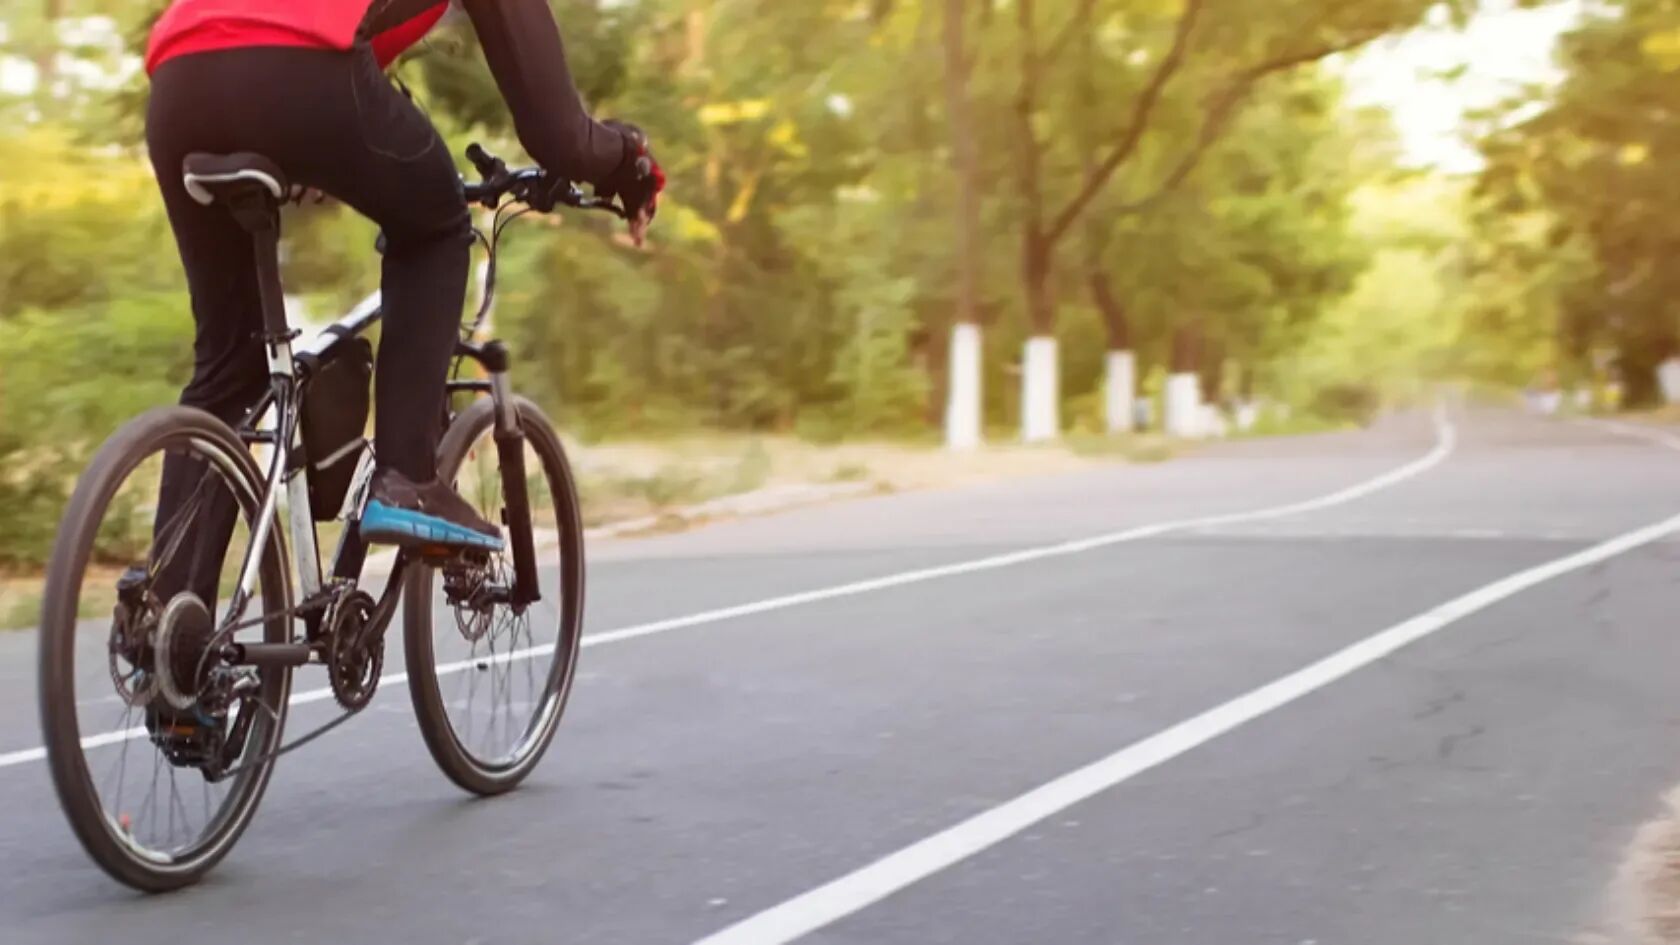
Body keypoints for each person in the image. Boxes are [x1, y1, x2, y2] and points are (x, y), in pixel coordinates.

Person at [144, 0, 663, 571]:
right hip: (295, 65)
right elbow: (561, 137)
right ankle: (407, 479)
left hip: (179, 81)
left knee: (229, 362)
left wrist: (311, 153)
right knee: (436, 228)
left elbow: (345, 75)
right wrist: (632, 161)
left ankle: (169, 621)